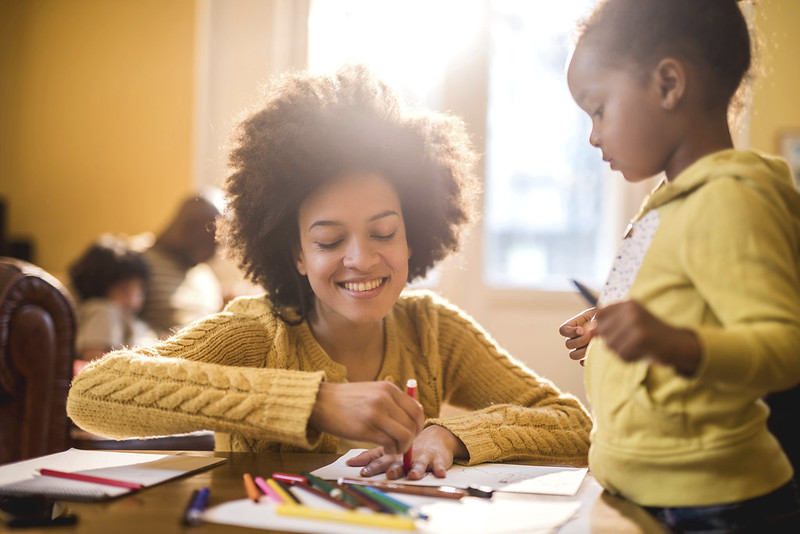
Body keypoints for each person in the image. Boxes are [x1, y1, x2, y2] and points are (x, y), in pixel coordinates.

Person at [68, 64, 592, 480]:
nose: (361, 259)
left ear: (414, 237)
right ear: (296, 254)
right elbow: (92, 395)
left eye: (384, 233)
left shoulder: (433, 330)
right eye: (328, 240)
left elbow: (572, 425)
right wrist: (314, 403)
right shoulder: (256, 333)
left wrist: (453, 436)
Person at [559, 0, 800, 530]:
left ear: (669, 84)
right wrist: (607, 330)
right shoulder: (660, 208)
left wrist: (674, 343)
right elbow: (652, 312)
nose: (593, 136)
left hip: (715, 506)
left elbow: (785, 348)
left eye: (599, 110)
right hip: (640, 491)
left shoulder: (731, 200)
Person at [137, 194, 224, 337]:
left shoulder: (202, 271)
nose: (214, 255)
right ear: (188, 228)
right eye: (210, 243)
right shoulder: (131, 259)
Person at [69, 235, 158, 368]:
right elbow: (94, 362)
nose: (132, 301)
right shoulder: (103, 311)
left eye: (139, 292)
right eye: (123, 290)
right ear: (98, 287)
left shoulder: (130, 318)